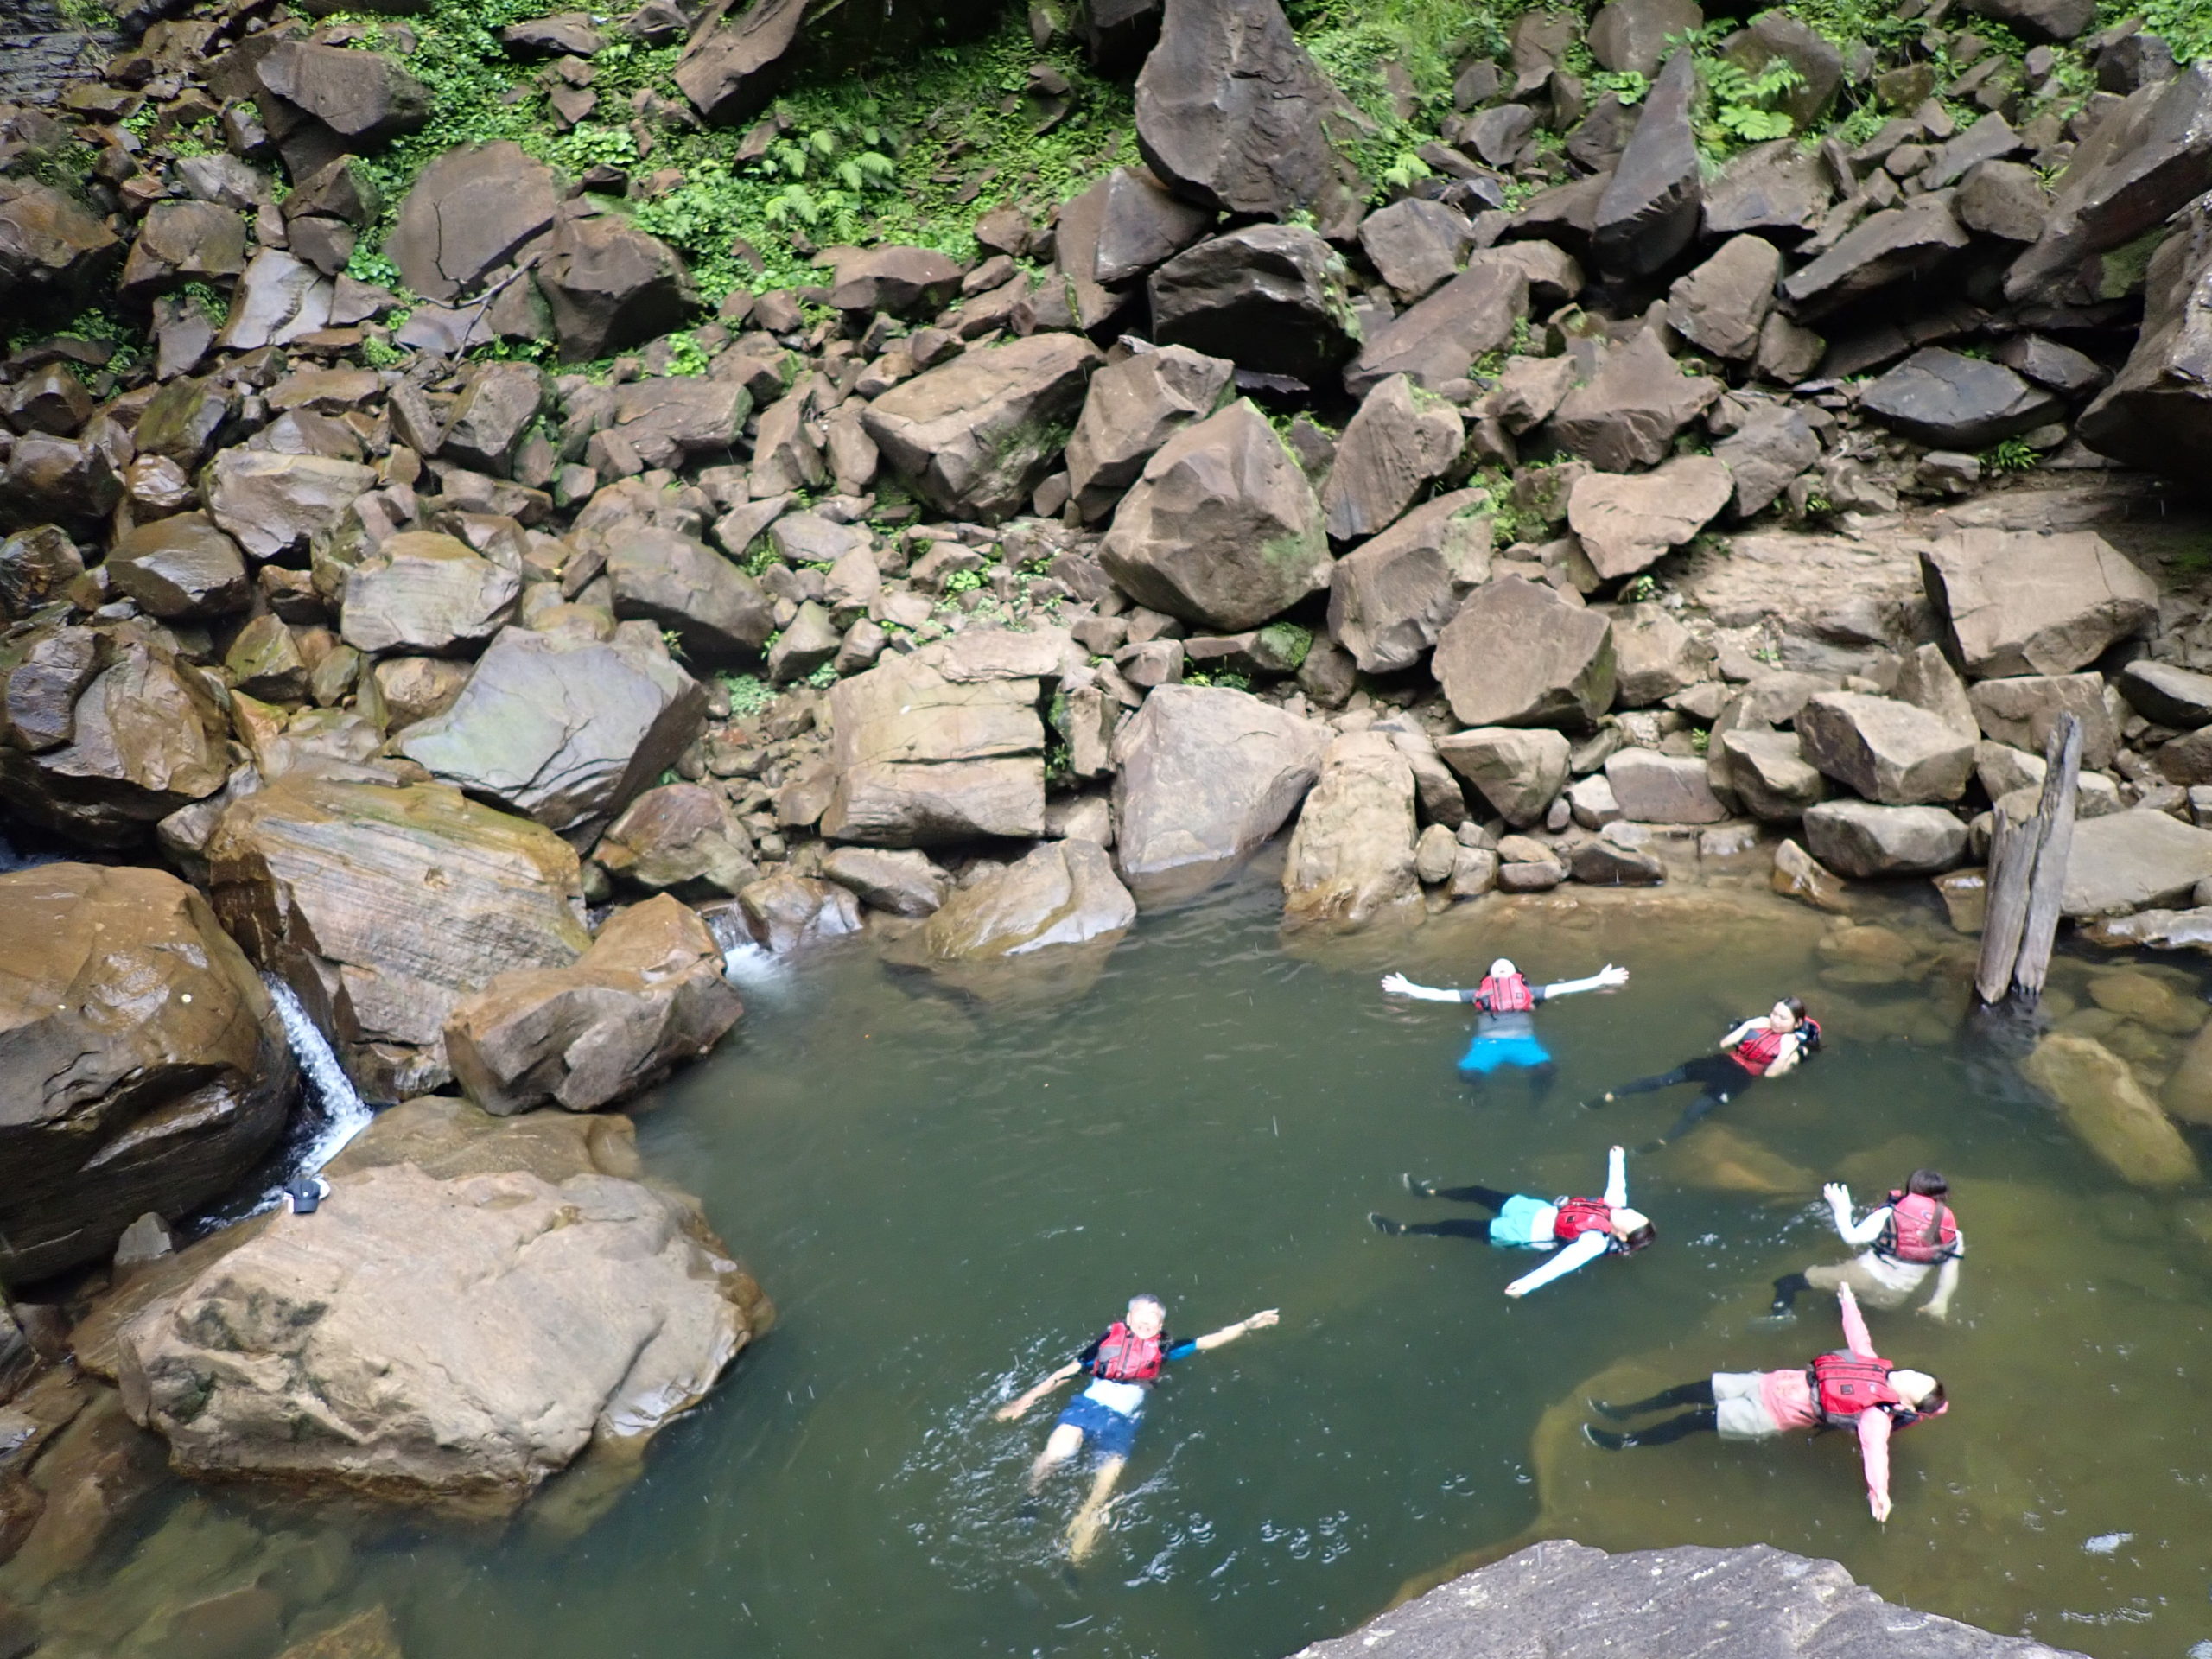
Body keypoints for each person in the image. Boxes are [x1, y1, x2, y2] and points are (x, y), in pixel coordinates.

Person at [1583, 1284, 1945, 1522]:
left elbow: (1875, 1453)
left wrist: (1878, 1492)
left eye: (1914, 1383)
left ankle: (1627, 1441)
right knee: (1687, 1390)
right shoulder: (1872, 1367)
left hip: (1764, 1415)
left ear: (1908, 1405)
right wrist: (1847, 1300)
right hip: (1764, 1383)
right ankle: (1626, 1411)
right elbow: (1857, 1334)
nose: (1910, 1374)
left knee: (1694, 1420)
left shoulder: (1875, 1416)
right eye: (1917, 1373)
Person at [995, 1295, 1280, 1563]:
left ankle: (1073, 1558)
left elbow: (1209, 1341)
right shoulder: (1104, 1349)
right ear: (1129, 1319)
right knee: (1057, 1453)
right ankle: (1031, 1500)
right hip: (1087, 1408)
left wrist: (1248, 1324)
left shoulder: (1165, 1351)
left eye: (1153, 1317)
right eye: (1140, 1315)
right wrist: (1024, 1401)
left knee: (1101, 1494)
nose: (1146, 1321)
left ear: (1160, 1326)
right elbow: (1063, 1374)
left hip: (1123, 1423)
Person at [1368, 1146, 1655, 1297]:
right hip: (1532, 1209)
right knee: (1477, 1192)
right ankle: (1427, 1193)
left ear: (1620, 1233)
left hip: (1519, 1232)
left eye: (1629, 1219)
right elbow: (1618, 1184)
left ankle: (1402, 1230)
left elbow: (1561, 1266)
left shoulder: (1593, 1242)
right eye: (1632, 1212)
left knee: (1453, 1226)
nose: (1627, 1211)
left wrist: (1527, 1284)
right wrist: (1617, 1158)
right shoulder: (1615, 1206)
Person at [1382, 957, 1630, 1099]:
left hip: (1524, 1043)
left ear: (1517, 975)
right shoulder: (1476, 994)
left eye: (1507, 965)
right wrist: (1408, 988)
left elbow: (1565, 988)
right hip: (1487, 1045)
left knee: (1546, 1069)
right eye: (1497, 966)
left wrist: (1599, 980)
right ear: (1489, 975)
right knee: (1466, 1075)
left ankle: (1536, 1101)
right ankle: (1480, 1093)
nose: (1502, 965)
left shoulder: (1530, 992)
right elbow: (1439, 995)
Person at [1586, 996, 1821, 1146]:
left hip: (1741, 1077)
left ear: (1797, 1024)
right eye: (1774, 1014)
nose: (1775, 1020)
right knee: (1665, 1080)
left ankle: (1664, 1140)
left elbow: (1771, 1075)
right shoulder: (1758, 1025)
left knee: (1695, 1109)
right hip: (1723, 1061)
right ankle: (1613, 1094)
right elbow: (1724, 1044)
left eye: (1782, 1018)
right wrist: (1749, 1025)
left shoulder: (1793, 1048)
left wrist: (1784, 1051)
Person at [1770, 1170, 1964, 1321]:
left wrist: (1842, 1208)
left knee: (1787, 1283)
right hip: (1894, 1297)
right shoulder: (1954, 1235)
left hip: (1861, 1276)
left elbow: (1851, 1237)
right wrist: (1940, 1301)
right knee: (1848, 1311)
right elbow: (1949, 1273)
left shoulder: (1890, 1213)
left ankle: (1780, 1314)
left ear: (1911, 1191)